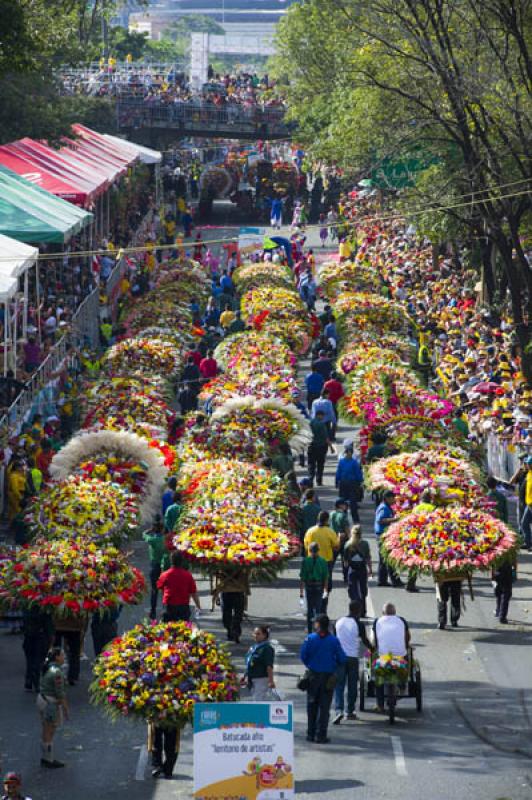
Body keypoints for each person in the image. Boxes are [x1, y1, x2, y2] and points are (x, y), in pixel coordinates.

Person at [300, 614, 346, 743]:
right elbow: (342, 658)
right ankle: (321, 735)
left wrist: (311, 664)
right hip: (327, 677)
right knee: (324, 707)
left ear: (318, 625)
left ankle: (310, 733)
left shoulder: (310, 639)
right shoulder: (333, 640)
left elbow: (303, 656)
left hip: (313, 676)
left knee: (311, 705)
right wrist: (333, 664)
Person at [333, 601, 371, 723]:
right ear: (358, 610)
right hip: (352, 658)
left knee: (339, 685)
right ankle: (350, 711)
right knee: (352, 685)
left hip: (339, 657)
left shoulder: (338, 622)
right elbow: (364, 640)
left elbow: (335, 638)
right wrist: (373, 649)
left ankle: (338, 710)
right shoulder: (358, 624)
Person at [372, 603, 410, 712]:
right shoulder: (401, 620)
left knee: (378, 678)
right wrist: (405, 646)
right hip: (400, 658)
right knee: (407, 661)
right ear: (395, 612)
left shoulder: (377, 621)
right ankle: (402, 685)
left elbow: (374, 640)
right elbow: (407, 637)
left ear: (383, 613)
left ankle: (380, 705)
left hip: (384, 658)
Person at [37, 647, 69, 768]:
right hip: (50, 703)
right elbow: (60, 694)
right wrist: (66, 709)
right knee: (50, 731)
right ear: (57, 657)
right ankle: (48, 759)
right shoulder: (57, 673)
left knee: (46, 730)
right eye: (62, 655)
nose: (64, 657)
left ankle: (45, 757)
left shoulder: (49, 667)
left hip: (42, 699)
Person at [304, 511, 340, 599]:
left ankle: (312, 606)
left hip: (312, 561)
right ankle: (323, 607)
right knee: (326, 585)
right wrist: (339, 538)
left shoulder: (310, 531)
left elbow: (306, 546)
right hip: (326, 562)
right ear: (327, 520)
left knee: (312, 585)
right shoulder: (330, 532)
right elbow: (336, 547)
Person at [157, 551, 201, 622]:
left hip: (169, 606)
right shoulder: (188, 575)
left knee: (168, 630)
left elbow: (160, 587)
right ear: (182, 561)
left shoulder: (165, 575)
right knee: (183, 629)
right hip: (183, 607)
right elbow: (193, 593)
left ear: (171, 561)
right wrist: (198, 606)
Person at [22, 608, 54, 693]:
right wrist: (51, 637)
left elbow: (23, 623)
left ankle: (28, 681)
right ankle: (36, 683)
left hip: (29, 636)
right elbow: (48, 625)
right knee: (38, 660)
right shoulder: (44, 609)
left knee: (30, 660)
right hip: (40, 637)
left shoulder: (27, 607)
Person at [374, 490, 402, 587]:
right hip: (383, 535)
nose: (394, 500)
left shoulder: (387, 507)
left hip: (384, 535)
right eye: (392, 498)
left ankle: (382, 580)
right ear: (387, 498)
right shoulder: (383, 508)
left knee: (384, 559)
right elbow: (380, 520)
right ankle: (395, 581)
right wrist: (396, 519)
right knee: (389, 558)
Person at [300, 542, 329, 633]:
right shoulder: (323, 561)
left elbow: (303, 578)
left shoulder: (306, 561)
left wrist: (301, 592)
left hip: (309, 587)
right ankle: (318, 629)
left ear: (309, 550)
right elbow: (325, 577)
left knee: (310, 610)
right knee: (318, 609)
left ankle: (310, 629)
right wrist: (325, 590)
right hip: (319, 587)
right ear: (318, 551)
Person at [343, 526, 372, 617]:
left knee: (352, 591)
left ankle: (353, 611)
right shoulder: (365, 544)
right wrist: (370, 569)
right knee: (363, 591)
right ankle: (363, 611)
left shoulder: (348, 544)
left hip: (352, 569)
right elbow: (368, 558)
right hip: (362, 569)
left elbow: (345, 561)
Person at [242, 626, 276, 700]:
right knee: (255, 700)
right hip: (251, 679)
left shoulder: (267, 649)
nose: (255, 636)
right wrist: (245, 676)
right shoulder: (253, 647)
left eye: (258, 634)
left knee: (259, 701)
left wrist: (271, 681)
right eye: (254, 633)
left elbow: (269, 666)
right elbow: (249, 663)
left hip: (261, 679)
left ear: (264, 635)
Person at [143, 515, 168, 619]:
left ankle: (153, 611)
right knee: (165, 590)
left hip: (154, 566)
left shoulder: (151, 539)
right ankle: (165, 610)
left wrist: (150, 530)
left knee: (154, 590)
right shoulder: (165, 540)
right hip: (165, 566)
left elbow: (143, 534)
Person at [219, 568, 249, 644]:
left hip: (230, 592)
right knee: (236, 613)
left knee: (228, 613)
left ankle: (232, 630)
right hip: (236, 592)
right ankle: (234, 630)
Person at [335, 447, 363, 522]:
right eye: (347, 452)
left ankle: (355, 519)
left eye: (350, 453)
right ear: (345, 453)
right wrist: (337, 481)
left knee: (352, 502)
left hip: (351, 484)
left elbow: (358, 473)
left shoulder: (354, 462)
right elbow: (338, 472)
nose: (348, 454)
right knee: (343, 502)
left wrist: (360, 481)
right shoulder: (343, 462)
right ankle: (343, 518)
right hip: (345, 483)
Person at [307, 409, 330, 486]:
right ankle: (319, 480)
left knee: (311, 464)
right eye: (322, 416)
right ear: (319, 415)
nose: (323, 417)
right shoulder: (321, 424)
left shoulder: (310, 423)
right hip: (320, 447)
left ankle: (310, 480)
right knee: (320, 464)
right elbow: (326, 437)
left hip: (311, 447)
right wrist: (331, 447)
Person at [331, 498, 350, 580]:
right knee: (345, 559)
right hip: (343, 540)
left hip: (333, 539)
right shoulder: (343, 516)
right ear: (340, 505)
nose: (346, 506)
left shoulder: (332, 514)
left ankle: (328, 575)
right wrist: (350, 539)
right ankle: (346, 576)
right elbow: (347, 529)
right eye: (345, 504)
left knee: (332, 559)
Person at [493, 556, 514, 625]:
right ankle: (502, 616)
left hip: (497, 570)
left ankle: (499, 611)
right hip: (506, 570)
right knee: (505, 594)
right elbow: (513, 558)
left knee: (499, 592)